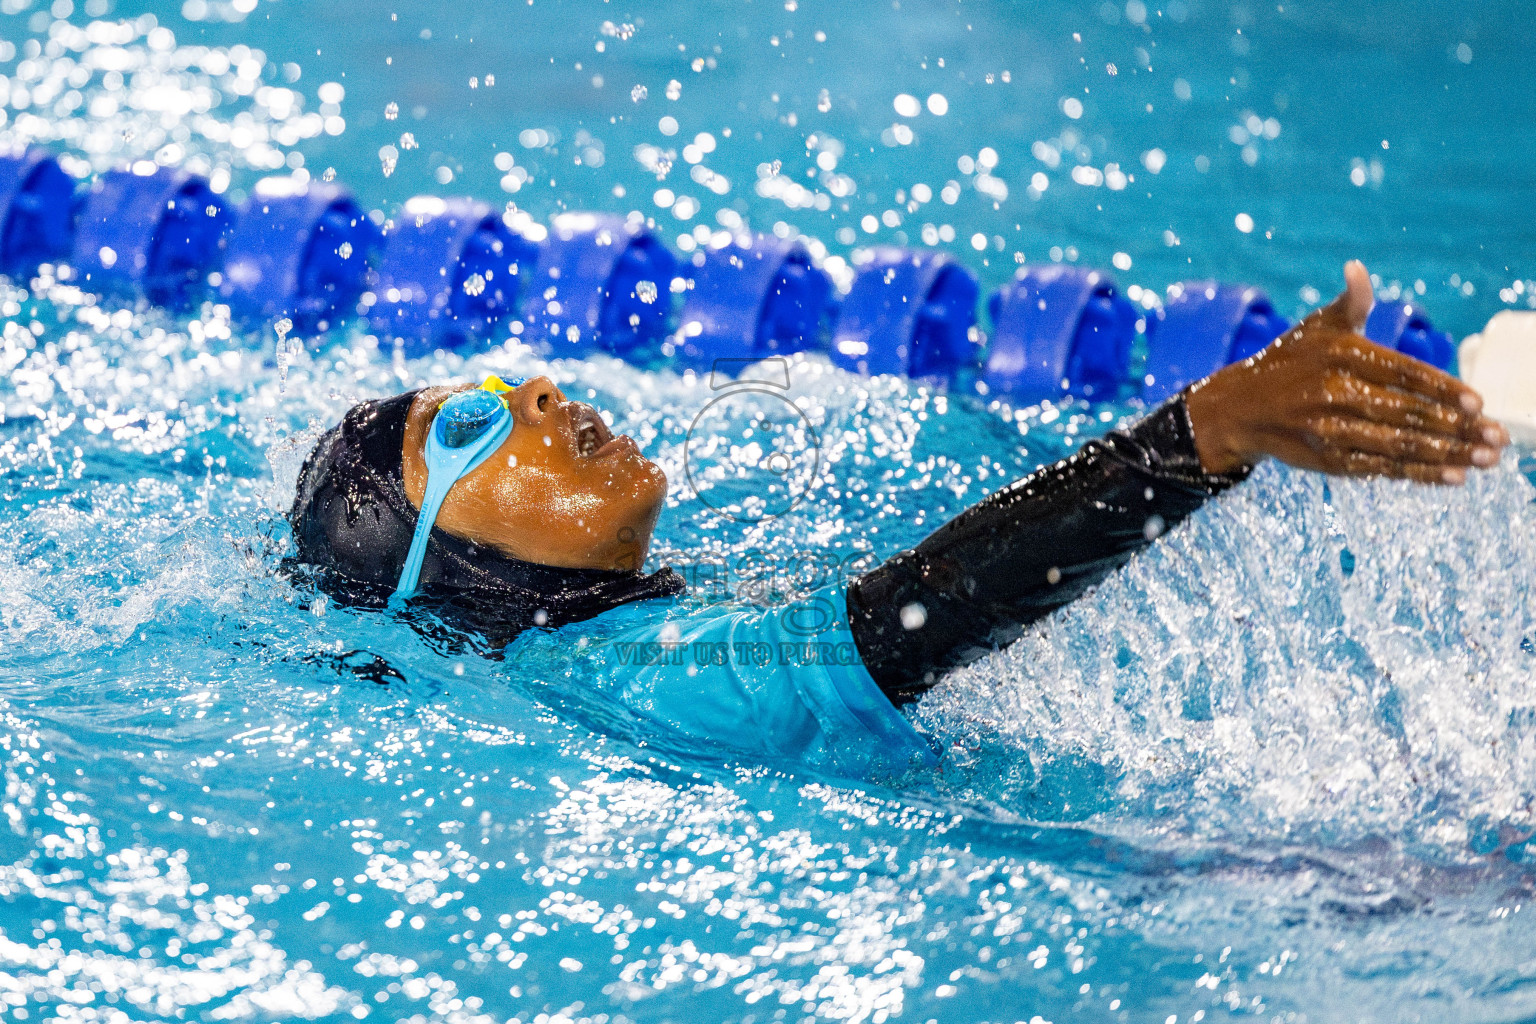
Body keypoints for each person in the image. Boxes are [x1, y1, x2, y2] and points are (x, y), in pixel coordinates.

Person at [289, 262, 1510, 777]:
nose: (539, 392)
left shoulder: (637, 626)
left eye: (512, 385)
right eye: (468, 427)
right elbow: (896, 628)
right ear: (438, 558)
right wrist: (1197, 440)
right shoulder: (611, 673)